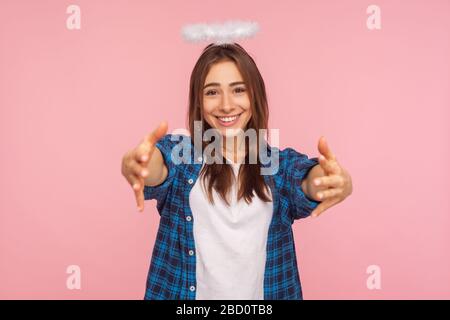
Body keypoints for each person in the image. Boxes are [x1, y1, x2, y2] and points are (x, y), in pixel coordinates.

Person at [121, 43, 353, 300]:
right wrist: (139, 163)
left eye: (238, 90)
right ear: (198, 100)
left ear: (255, 96)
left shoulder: (278, 166)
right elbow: (157, 167)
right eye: (212, 92)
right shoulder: (181, 154)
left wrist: (338, 181)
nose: (226, 105)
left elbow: (310, 180)